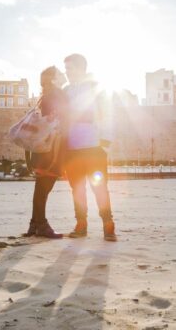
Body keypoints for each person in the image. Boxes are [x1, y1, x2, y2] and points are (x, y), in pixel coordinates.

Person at [63, 53, 117, 242]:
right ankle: (81, 224)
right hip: (71, 149)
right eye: (66, 68)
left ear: (80, 68)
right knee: (77, 188)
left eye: (69, 68)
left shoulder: (96, 88)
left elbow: (108, 113)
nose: (67, 72)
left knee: (100, 187)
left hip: (94, 147)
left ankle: (108, 225)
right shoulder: (66, 91)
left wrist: (106, 141)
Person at [23, 66, 67, 239]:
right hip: (52, 148)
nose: (64, 75)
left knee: (40, 188)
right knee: (44, 188)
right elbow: (62, 118)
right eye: (60, 73)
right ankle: (41, 224)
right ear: (54, 79)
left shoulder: (44, 97)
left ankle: (34, 224)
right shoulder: (57, 95)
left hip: (42, 148)